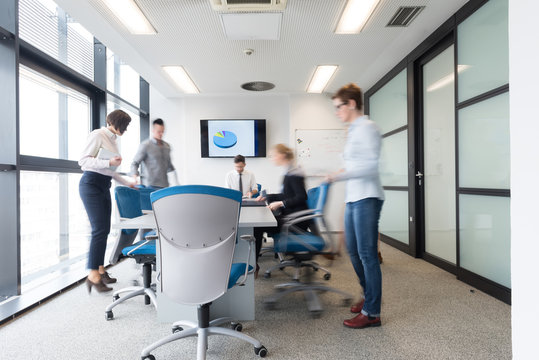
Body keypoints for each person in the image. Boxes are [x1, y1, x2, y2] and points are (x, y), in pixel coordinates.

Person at [326, 83, 385, 329]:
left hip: (367, 196)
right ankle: (367, 295)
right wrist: (337, 173)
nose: (337, 112)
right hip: (353, 197)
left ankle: (372, 312)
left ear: (351, 104)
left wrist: (340, 175)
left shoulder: (368, 128)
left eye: (339, 107)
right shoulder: (353, 130)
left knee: (368, 255)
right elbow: (354, 164)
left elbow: (371, 166)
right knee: (353, 250)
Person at [79, 109, 135, 293]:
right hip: (91, 184)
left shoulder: (113, 141)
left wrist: (128, 183)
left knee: (105, 229)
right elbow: (84, 161)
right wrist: (108, 162)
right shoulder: (98, 135)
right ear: (117, 123)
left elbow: (110, 171)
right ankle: (93, 275)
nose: (125, 130)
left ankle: (101, 270)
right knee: (99, 229)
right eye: (125, 126)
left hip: (104, 184)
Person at [253, 144, 309, 277]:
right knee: (258, 225)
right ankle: (254, 263)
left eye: (274, 155)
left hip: (295, 221)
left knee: (257, 227)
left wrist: (280, 203)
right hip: (291, 216)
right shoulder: (289, 171)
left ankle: (254, 265)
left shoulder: (294, 173)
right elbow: (287, 195)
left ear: (282, 155)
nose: (272, 158)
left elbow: (302, 197)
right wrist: (267, 197)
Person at [131, 118, 176, 189]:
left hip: (165, 186)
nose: (161, 134)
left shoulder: (167, 146)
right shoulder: (146, 145)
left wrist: (176, 183)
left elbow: (170, 166)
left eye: (162, 131)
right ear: (153, 130)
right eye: (159, 132)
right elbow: (135, 163)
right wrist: (135, 177)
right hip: (151, 185)